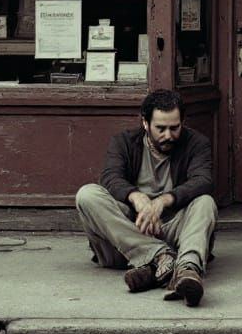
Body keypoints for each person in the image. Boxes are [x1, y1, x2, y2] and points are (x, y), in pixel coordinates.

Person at [75, 89, 217, 306]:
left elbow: (203, 180)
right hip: (127, 237)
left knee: (205, 202)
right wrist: (136, 197)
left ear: (183, 122)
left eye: (174, 128)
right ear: (145, 123)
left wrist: (162, 201)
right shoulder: (123, 142)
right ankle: (159, 256)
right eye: (160, 128)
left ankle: (185, 269)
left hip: (172, 230)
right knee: (87, 194)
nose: (168, 135)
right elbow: (110, 177)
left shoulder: (197, 143)